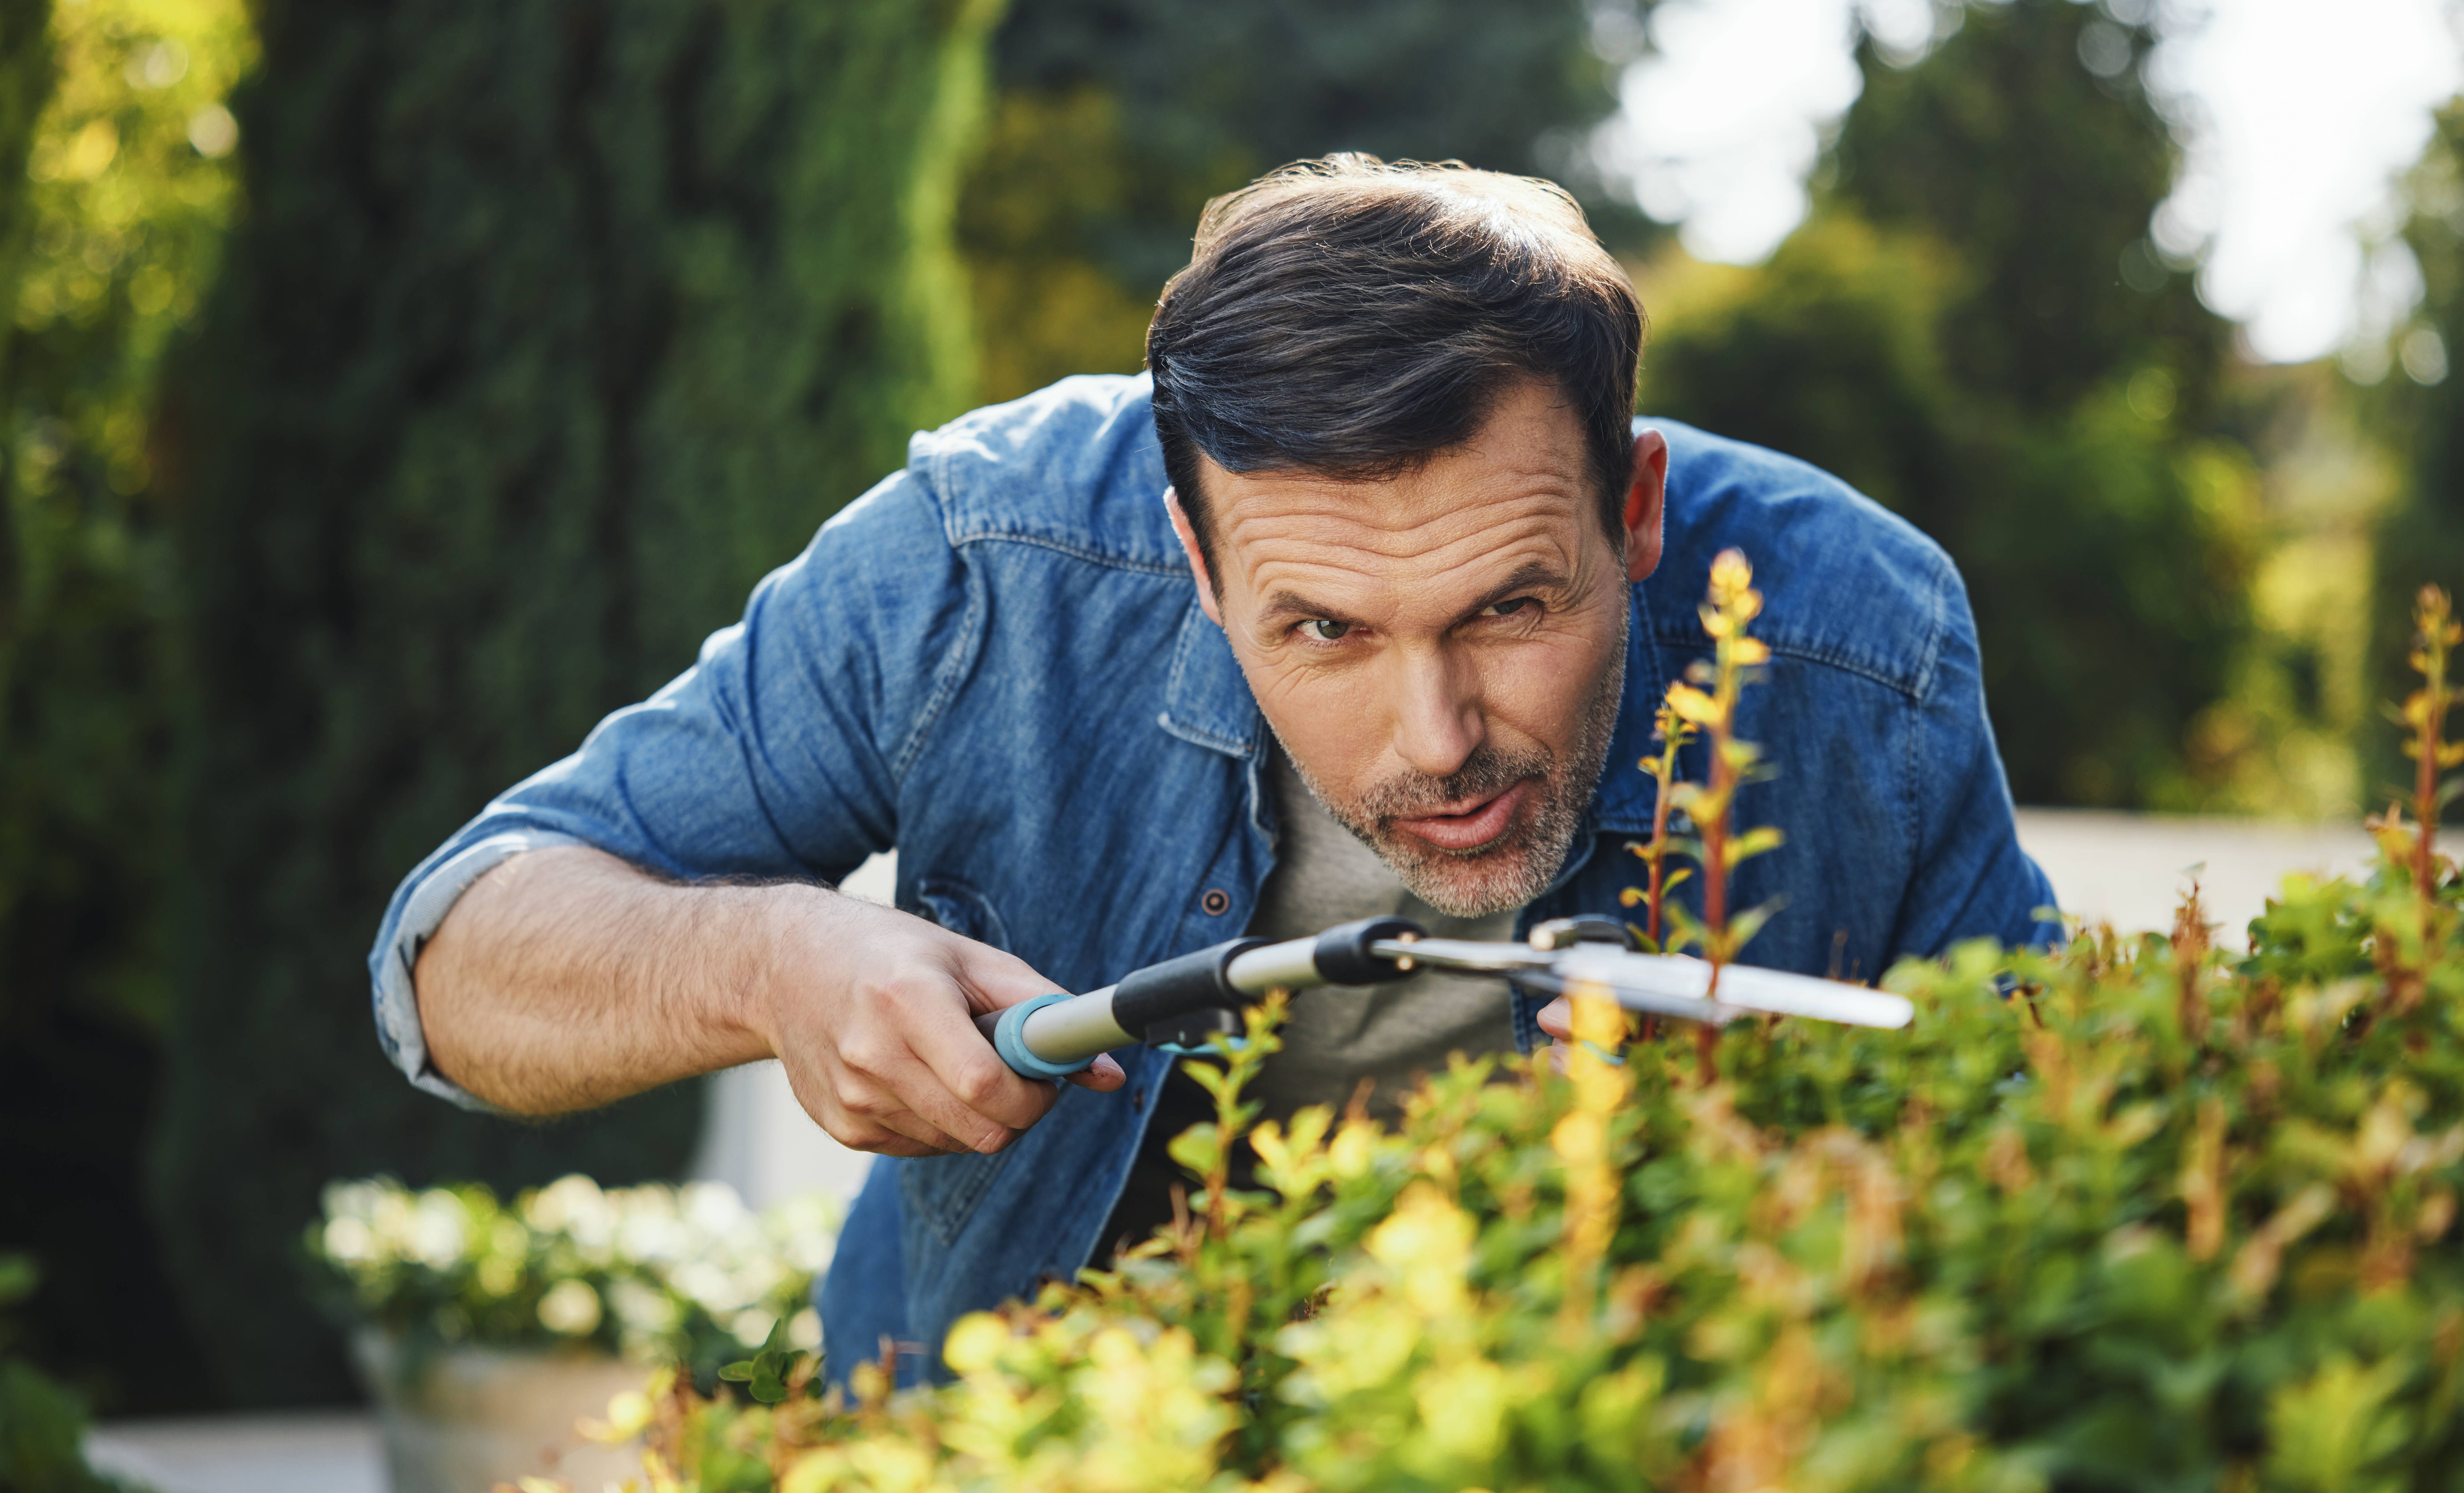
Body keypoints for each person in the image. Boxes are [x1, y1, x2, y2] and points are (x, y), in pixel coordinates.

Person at [370, 155, 2057, 1387]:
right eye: (1324, 627)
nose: (1437, 736)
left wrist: (1781, 1165)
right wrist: (770, 956)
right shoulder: (985, 560)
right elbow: (448, 959)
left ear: (1637, 513)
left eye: (1512, 605)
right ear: (1186, 549)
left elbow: (2043, 1126)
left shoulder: (1861, 643)